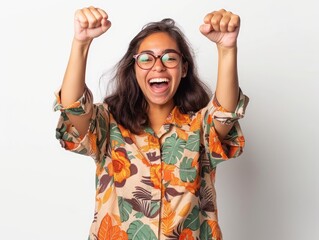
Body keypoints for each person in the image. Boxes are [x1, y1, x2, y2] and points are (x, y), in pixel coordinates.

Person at [54, 6, 249, 240]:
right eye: (146, 58)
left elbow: (225, 112)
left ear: (184, 68)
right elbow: (73, 105)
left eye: (169, 58)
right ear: (134, 69)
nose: (158, 66)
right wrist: (81, 43)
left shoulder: (200, 127)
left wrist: (227, 49)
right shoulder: (108, 124)